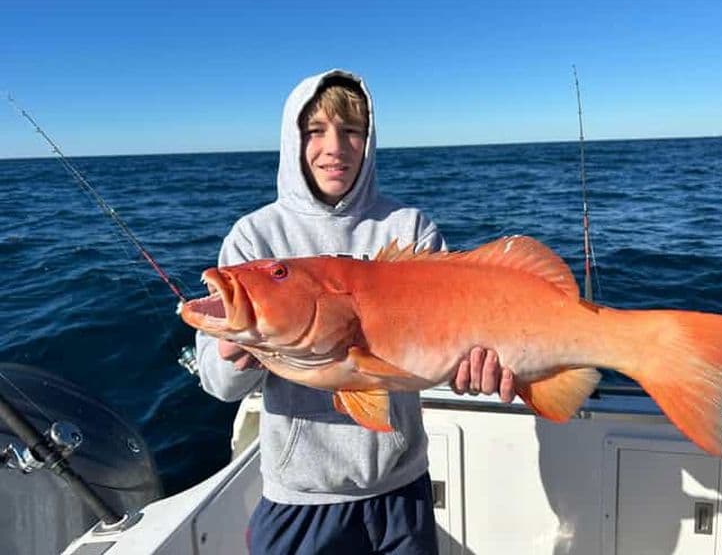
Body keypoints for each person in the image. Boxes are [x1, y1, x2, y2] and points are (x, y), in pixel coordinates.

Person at [195, 69, 514, 554]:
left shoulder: (409, 227)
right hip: (299, 499)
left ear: (369, 141)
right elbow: (219, 385)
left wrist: (478, 369)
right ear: (292, 139)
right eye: (315, 131)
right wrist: (232, 353)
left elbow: (442, 351)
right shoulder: (253, 237)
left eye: (352, 131)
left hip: (402, 488)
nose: (335, 147)